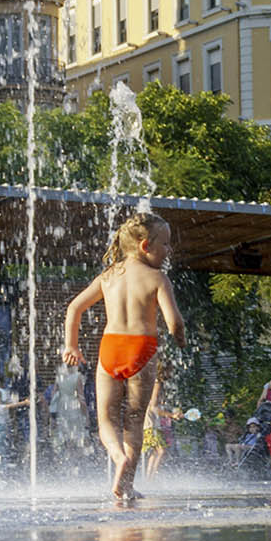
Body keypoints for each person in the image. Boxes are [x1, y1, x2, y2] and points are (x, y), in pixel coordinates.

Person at [63, 212, 187, 504]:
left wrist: (71, 346)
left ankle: (117, 458)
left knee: (105, 418)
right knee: (135, 419)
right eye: (166, 245)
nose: (170, 250)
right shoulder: (158, 278)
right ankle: (126, 483)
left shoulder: (109, 276)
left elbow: (74, 308)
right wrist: (180, 339)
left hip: (110, 347)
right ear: (145, 246)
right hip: (141, 348)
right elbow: (174, 323)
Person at [51, 363, 90, 455]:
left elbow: (53, 394)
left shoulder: (59, 376)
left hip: (62, 406)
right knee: (77, 433)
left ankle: (67, 458)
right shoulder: (77, 376)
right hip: (74, 406)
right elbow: (81, 397)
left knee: (65, 432)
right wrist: (86, 414)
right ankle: (77, 460)